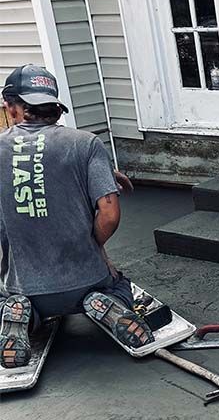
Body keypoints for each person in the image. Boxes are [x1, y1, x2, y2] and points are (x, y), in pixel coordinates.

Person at [0, 64, 153, 368]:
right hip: (86, 281)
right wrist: (92, 244)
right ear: (54, 106)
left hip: (24, 285)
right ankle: (107, 303)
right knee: (119, 286)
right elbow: (109, 214)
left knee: (8, 299)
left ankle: (20, 315)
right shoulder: (86, 144)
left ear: (14, 107)